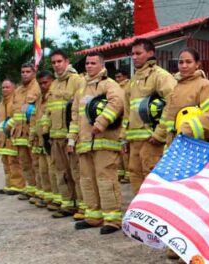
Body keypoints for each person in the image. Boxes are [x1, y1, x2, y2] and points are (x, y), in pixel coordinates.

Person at [164, 48, 209, 263]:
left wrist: (190, 129)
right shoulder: (175, 87)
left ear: (198, 64)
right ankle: (178, 245)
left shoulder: (205, 86)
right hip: (174, 150)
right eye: (180, 62)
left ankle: (195, 251)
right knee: (178, 201)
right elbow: (168, 120)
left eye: (188, 61)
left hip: (196, 150)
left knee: (195, 204)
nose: (184, 65)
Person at [68, 52, 125, 234]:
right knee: (87, 181)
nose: (89, 66)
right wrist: (71, 139)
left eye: (93, 63)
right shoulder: (81, 89)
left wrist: (101, 123)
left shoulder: (110, 85)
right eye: (87, 63)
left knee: (106, 181)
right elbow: (75, 116)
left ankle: (112, 220)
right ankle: (93, 216)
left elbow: (117, 103)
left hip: (105, 143)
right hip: (85, 144)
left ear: (102, 65)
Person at [120, 38, 176, 195]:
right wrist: (124, 137)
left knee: (153, 179)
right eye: (132, 54)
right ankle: (140, 214)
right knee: (135, 176)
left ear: (150, 53)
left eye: (139, 53)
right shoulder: (132, 81)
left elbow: (172, 105)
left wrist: (159, 134)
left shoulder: (161, 76)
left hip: (152, 140)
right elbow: (127, 112)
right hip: (134, 141)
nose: (134, 57)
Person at [45, 49, 86, 219]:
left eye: (59, 61)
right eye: (53, 62)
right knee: (61, 172)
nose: (56, 65)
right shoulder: (54, 84)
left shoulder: (77, 81)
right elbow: (49, 111)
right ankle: (68, 204)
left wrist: (74, 136)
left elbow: (79, 110)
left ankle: (84, 207)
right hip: (55, 137)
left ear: (67, 61)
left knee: (77, 172)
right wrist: (46, 133)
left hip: (71, 137)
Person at [6, 63, 41, 201]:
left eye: (28, 71)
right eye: (22, 71)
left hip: (32, 133)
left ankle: (40, 190)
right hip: (19, 134)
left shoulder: (38, 87)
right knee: (25, 164)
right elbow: (15, 113)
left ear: (34, 72)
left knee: (37, 164)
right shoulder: (18, 91)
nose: (24, 74)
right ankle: (31, 189)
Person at [29, 71, 56, 208]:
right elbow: (35, 118)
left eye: (46, 82)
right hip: (40, 140)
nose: (43, 85)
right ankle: (47, 196)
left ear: (52, 81)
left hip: (51, 139)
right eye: (40, 83)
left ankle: (57, 199)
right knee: (42, 170)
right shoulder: (39, 98)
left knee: (54, 171)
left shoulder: (55, 95)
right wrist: (32, 135)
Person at [0, 79, 25, 195]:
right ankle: (9, 184)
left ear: (13, 87)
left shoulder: (16, 100)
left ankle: (18, 186)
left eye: (7, 87)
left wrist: (10, 125)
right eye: (3, 87)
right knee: (5, 161)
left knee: (14, 162)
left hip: (13, 135)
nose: (5, 89)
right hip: (3, 138)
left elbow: (18, 116)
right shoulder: (2, 103)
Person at [114, 69, 130, 184]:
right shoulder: (115, 88)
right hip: (117, 122)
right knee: (119, 151)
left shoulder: (127, 87)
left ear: (125, 76)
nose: (117, 79)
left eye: (119, 77)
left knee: (126, 151)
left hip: (125, 122)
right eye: (116, 77)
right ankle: (120, 173)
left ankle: (128, 175)